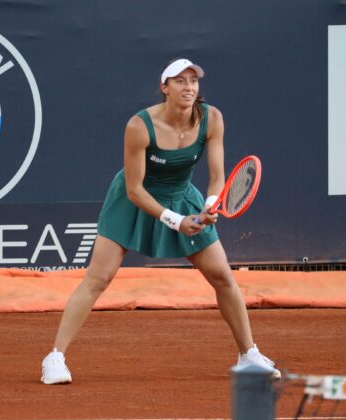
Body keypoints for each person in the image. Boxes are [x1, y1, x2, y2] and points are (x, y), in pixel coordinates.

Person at [41, 58, 280, 384]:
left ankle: (248, 355)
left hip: (182, 196)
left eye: (193, 81)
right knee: (98, 278)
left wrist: (210, 205)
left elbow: (216, 177)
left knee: (223, 276)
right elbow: (135, 189)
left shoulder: (212, 119)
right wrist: (176, 221)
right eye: (180, 81)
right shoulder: (139, 126)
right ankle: (55, 358)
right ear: (164, 88)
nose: (189, 87)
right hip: (132, 201)